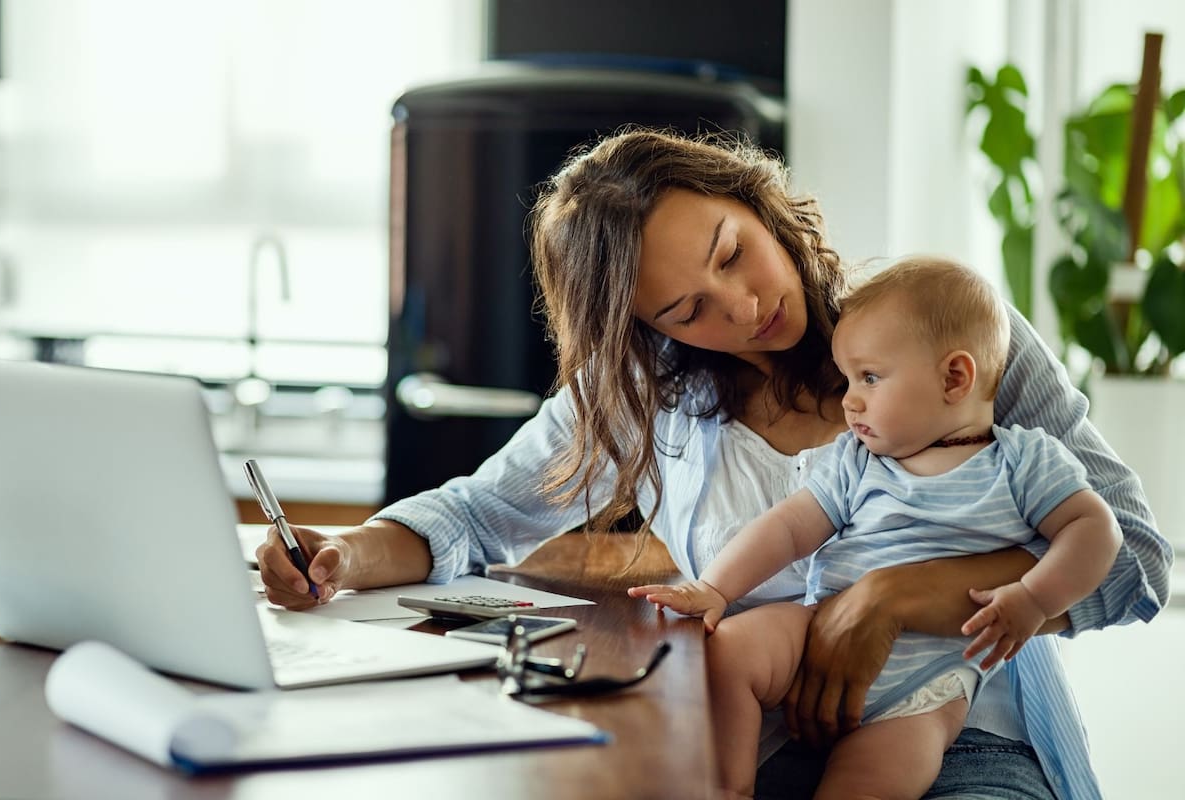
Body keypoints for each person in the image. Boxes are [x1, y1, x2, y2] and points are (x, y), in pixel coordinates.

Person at [256, 129, 1171, 799]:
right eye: (687, 310)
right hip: (754, 736)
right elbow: (477, 515)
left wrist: (888, 600)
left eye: (734, 253)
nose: (742, 308)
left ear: (757, 201)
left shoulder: (946, 341)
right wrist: (343, 554)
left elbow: (1134, 563)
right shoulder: (648, 392)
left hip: (958, 735)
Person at [628, 256, 1123, 800]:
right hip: (820, 630)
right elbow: (790, 528)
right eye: (847, 379)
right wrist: (716, 588)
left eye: (869, 377)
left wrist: (1034, 597)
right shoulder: (860, 460)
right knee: (732, 650)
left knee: (863, 783)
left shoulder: (1023, 462)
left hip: (925, 688)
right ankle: (729, 788)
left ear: (954, 378)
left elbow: (1096, 528)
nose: (849, 400)